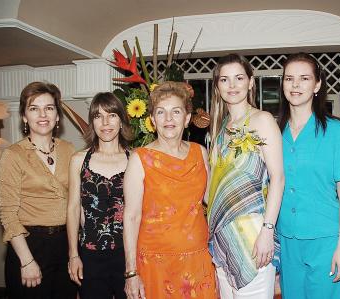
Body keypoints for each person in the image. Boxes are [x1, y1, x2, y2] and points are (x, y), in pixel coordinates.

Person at [123, 81, 217, 299]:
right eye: (161, 113)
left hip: (199, 260)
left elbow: (212, 202)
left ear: (186, 118)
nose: (168, 119)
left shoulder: (199, 152)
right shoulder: (140, 158)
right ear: (153, 120)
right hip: (155, 263)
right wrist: (131, 272)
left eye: (176, 112)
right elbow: (131, 216)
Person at [276, 53, 340, 299]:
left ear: (317, 84)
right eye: (289, 78)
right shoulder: (273, 132)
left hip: (326, 239)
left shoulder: (337, 131)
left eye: (304, 78)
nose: (296, 85)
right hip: (287, 239)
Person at [207, 53, 284, 299]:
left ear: (251, 82)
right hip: (222, 238)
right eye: (224, 80)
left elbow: (278, 178)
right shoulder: (219, 130)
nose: (232, 86)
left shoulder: (262, 120)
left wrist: (267, 231)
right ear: (217, 87)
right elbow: (211, 191)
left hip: (254, 238)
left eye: (239, 78)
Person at [0, 81, 76, 299]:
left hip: (65, 245)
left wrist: (76, 252)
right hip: (30, 246)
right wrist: (27, 260)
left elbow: (76, 203)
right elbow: (8, 214)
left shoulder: (69, 150)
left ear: (57, 116)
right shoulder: (13, 155)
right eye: (34, 108)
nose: (43, 114)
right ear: (24, 116)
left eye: (49, 108)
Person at [67, 92, 131, 298]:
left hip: (128, 254)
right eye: (98, 116)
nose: (105, 122)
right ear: (92, 123)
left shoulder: (136, 159)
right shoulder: (79, 160)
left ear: (121, 120)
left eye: (111, 115)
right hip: (90, 254)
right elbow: (73, 209)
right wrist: (73, 254)